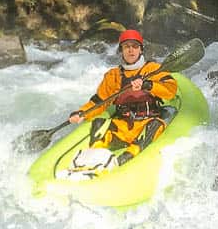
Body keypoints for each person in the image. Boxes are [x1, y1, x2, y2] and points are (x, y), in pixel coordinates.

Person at [67, 29, 178, 166]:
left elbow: (170, 91)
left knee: (154, 125)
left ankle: (126, 158)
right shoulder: (113, 75)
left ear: (141, 50)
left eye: (135, 46)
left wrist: (148, 85)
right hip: (123, 125)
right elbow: (99, 101)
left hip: (147, 122)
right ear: (121, 50)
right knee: (99, 123)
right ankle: (91, 157)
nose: (131, 50)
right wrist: (82, 113)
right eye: (126, 47)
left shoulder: (153, 69)